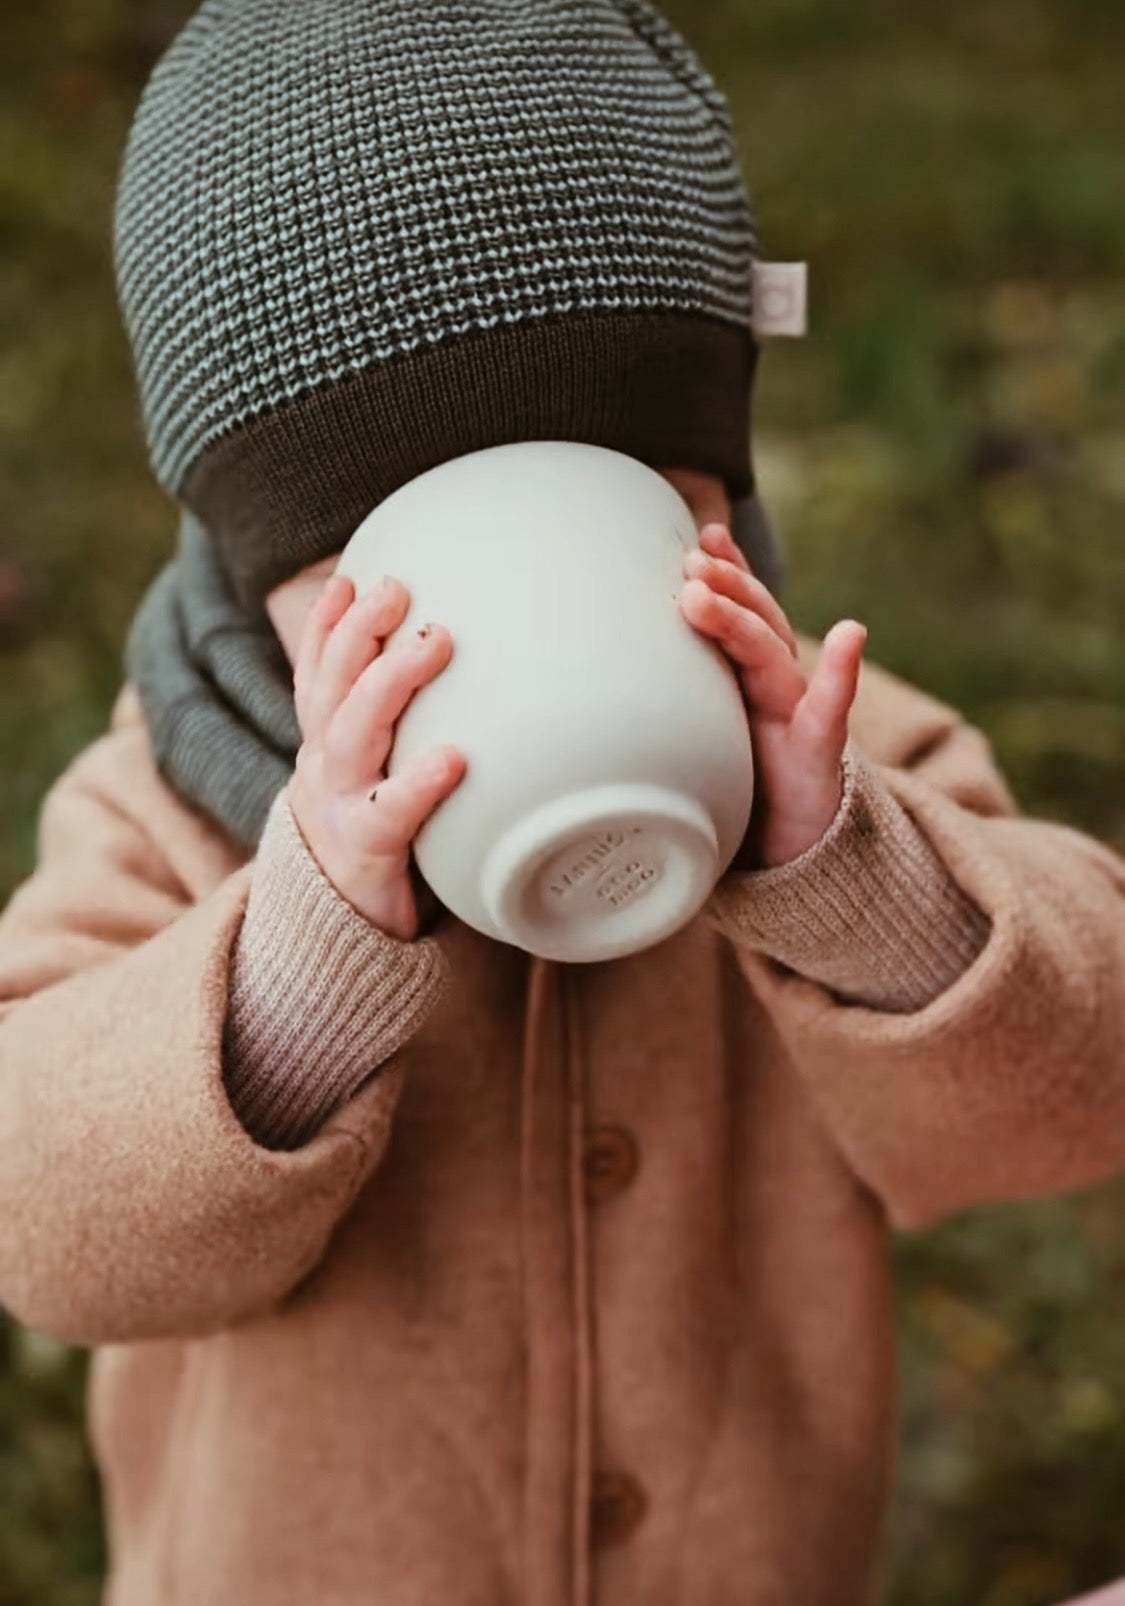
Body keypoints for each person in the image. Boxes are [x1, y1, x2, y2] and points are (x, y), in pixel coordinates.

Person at [1, 3, 1123, 1603]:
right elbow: (41, 1234)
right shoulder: (165, 805)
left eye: (631, 499)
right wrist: (295, 965)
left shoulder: (832, 761)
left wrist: (844, 875)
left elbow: (1080, 1093)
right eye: (392, 564)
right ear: (255, 568)